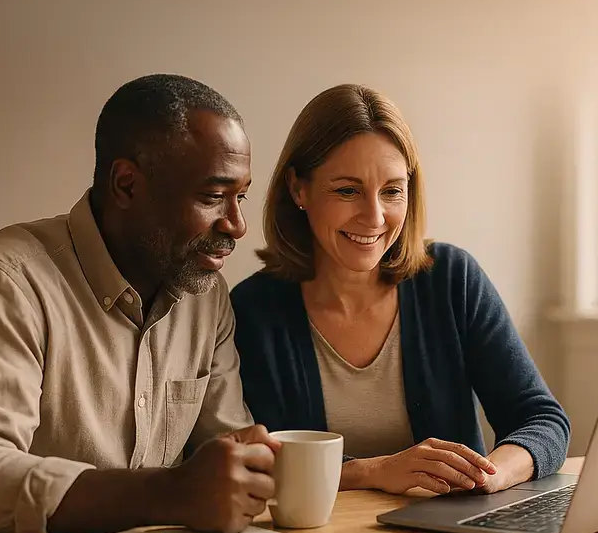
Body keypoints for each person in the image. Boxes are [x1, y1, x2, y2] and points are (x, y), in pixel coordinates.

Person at [0, 74, 280, 533]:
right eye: (212, 196)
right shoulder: (4, 282)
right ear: (126, 184)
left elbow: (225, 458)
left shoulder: (205, 295)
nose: (238, 225)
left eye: (240, 196)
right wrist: (167, 493)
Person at [231, 84, 570, 497]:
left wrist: (493, 474)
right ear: (298, 189)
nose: (374, 217)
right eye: (347, 190)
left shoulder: (451, 279)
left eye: (392, 191)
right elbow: (268, 462)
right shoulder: (253, 311)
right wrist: (376, 472)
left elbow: (542, 419)